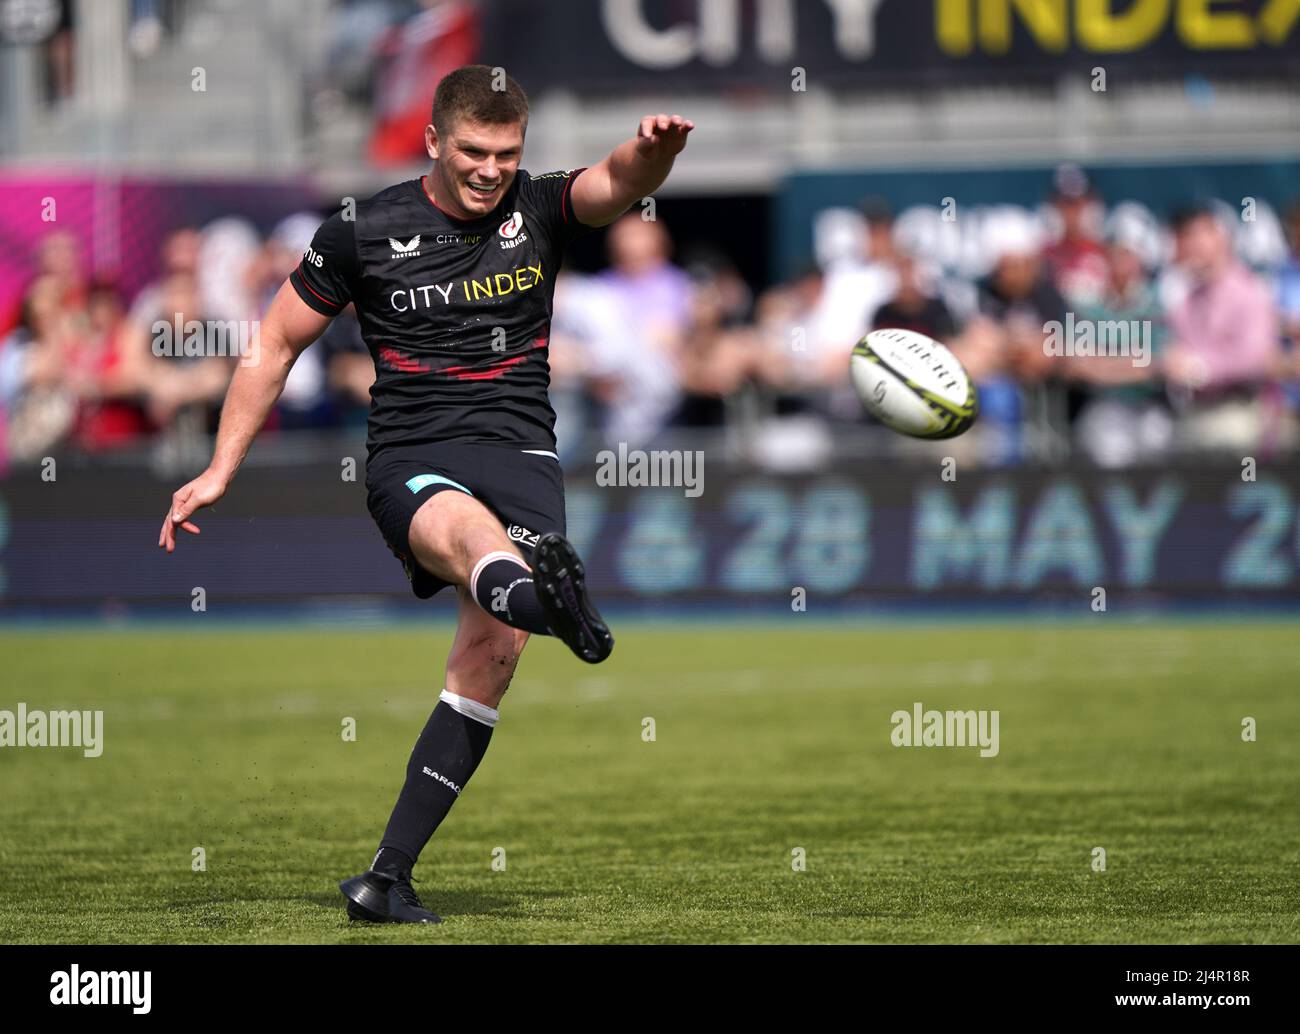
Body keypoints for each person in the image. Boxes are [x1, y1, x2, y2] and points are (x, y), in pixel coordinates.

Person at [157, 65, 693, 924]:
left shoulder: (542, 207)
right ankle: (550, 599)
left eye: (507, 154)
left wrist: (650, 150)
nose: (490, 169)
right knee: (477, 543)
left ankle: (386, 877)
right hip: (413, 451)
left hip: (522, 449)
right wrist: (220, 470)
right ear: (435, 142)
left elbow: (618, 182)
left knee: (491, 656)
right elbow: (271, 346)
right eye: (474, 151)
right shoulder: (361, 228)